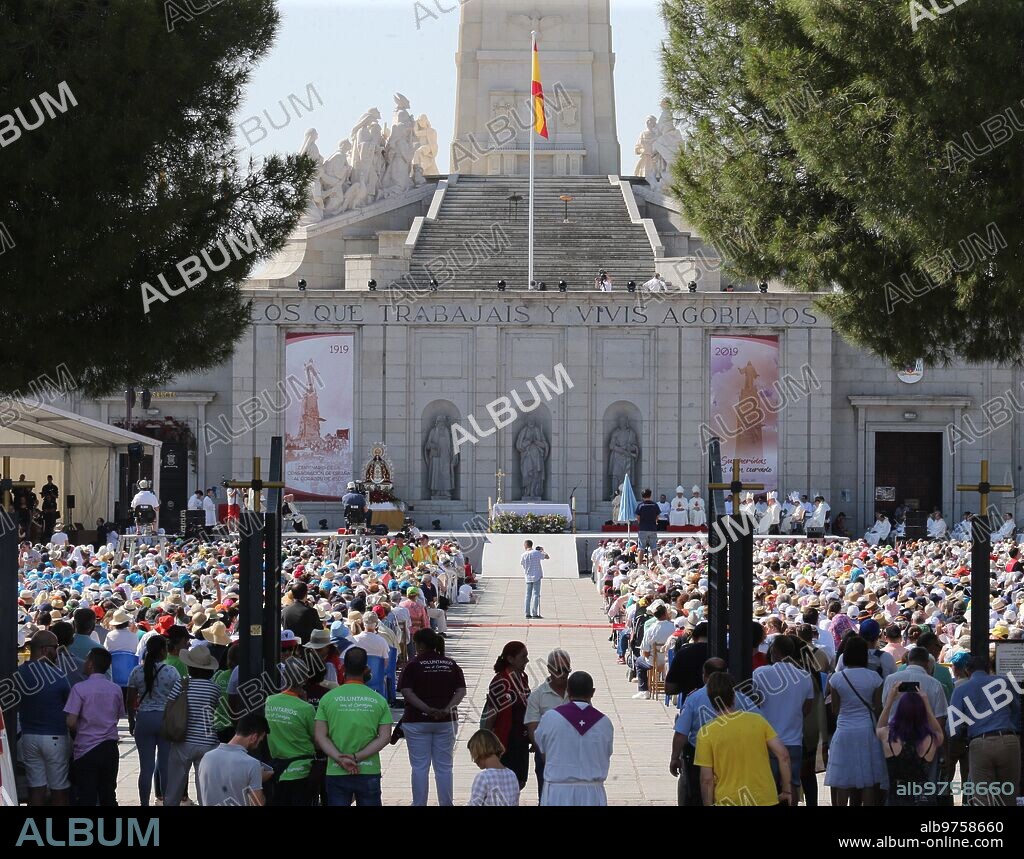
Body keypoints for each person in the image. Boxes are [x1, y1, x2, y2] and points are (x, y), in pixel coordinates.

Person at [693, 671, 791, 806]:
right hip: (764, 798)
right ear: (734, 695)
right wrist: (786, 790)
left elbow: (707, 779)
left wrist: (708, 803)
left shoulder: (706, 733)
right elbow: (783, 755)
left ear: (711, 699)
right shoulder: (758, 721)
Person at [670, 657, 759, 806]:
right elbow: (760, 721)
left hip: (699, 756)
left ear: (704, 675)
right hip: (732, 757)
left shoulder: (694, 698)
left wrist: (674, 757)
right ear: (727, 674)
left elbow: (681, 733)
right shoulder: (741, 698)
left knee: (698, 794)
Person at [316, 646, 393, 807]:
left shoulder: (328, 699)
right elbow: (385, 737)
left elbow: (320, 736)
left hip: (336, 769)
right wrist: (357, 757)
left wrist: (339, 758)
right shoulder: (378, 700)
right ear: (366, 669)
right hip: (368, 770)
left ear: (343, 668)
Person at [397, 629, 466, 806]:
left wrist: (426, 709)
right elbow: (461, 690)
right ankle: (446, 803)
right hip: (446, 720)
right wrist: (447, 708)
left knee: (420, 767)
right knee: (444, 767)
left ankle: (419, 803)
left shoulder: (413, 665)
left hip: (417, 720)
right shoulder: (450, 664)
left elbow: (406, 691)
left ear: (420, 644)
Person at [948, 655, 1021, 807]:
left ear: (967, 670)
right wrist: (1011, 727)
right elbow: (1016, 709)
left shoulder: (961, 690)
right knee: (1009, 795)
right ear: (988, 668)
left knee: (982, 798)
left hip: (980, 743)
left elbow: (952, 728)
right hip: (1008, 740)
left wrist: (961, 737)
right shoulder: (1003, 682)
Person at [534, 671, 614, 806]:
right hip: (592, 793)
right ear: (592, 692)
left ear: (568, 690)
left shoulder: (550, 718)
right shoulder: (604, 722)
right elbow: (607, 752)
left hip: (558, 792)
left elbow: (541, 747)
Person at [824, 635, 887, 806]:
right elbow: (877, 707)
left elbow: (835, 709)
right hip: (867, 729)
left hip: (844, 729)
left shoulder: (836, 679)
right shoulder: (874, 677)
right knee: (868, 780)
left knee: (842, 779)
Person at [752, 635, 814, 803]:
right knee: (793, 783)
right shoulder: (804, 676)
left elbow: (754, 701)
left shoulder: (760, 673)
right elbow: (807, 709)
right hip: (794, 740)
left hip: (768, 740)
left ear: (775, 651)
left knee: (768, 783)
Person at [64, 648, 125, 806]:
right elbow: (118, 715)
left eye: (86, 660)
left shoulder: (79, 689)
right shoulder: (116, 689)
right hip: (109, 746)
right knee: (108, 792)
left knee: (87, 794)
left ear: (90, 664)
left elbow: (71, 721)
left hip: (86, 747)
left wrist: (77, 730)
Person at [17, 631, 71, 806]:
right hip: (55, 736)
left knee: (35, 788)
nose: (57, 652)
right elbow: (69, 704)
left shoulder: (19, 674)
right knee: (59, 789)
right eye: (55, 648)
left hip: (28, 737)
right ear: (45, 649)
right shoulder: (58, 675)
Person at [164, 646, 223, 807]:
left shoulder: (181, 684)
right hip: (208, 743)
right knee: (205, 788)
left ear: (189, 667)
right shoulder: (215, 689)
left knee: (174, 786)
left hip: (182, 740)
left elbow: (169, 707)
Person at [127, 635, 177, 807]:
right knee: (165, 767)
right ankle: (167, 802)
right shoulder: (171, 671)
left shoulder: (137, 672)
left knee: (145, 768)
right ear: (163, 650)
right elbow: (178, 698)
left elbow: (130, 699)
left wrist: (132, 721)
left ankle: (143, 803)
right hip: (165, 719)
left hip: (144, 718)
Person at [876, 685, 943, 806]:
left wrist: (889, 701)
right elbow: (939, 732)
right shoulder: (930, 739)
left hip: (896, 798)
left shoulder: (888, 735)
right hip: (923, 798)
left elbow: (879, 727)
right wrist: (927, 704)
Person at [482, 641, 532, 789]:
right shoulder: (500, 681)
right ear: (510, 659)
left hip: (521, 739)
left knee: (520, 782)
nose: (527, 660)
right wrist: (486, 741)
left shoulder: (523, 677)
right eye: (523, 657)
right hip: (504, 740)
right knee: (505, 784)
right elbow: (491, 713)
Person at [265, 670, 317, 806]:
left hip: (276, 770)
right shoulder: (307, 708)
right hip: (302, 770)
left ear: (284, 677)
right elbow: (316, 739)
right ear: (305, 679)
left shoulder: (269, 701)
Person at [525, 649, 570, 800]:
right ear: (549, 669)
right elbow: (532, 728)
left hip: (572, 755)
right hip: (546, 755)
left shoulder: (576, 692)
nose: (563, 674)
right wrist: (544, 754)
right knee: (547, 797)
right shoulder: (537, 695)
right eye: (559, 670)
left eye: (566, 670)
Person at [197, 713, 269, 806]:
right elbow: (258, 803)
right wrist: (258, 779)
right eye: (260, 740)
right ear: (254, 737)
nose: (258, 744)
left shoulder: (207, 757)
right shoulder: (252, 764)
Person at [467, 729, 521, 807]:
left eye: (473, 755)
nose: (474, 760)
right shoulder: (512, 775)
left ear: (478, 752)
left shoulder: (483, 777)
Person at [633, 601, 674, 700]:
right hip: (671, 660)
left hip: (655, 661)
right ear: (666, 613)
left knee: (639, 661)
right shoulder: (673, 626)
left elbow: (645, 651)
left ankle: (644, 690)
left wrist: (651, 656)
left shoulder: (651, 629)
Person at [520, 539, 548, 619]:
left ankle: (527, 613)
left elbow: (522, 564)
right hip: (537, 576)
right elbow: (547, 557)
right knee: (536, 595)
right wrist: (542, 551)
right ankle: (535, 613)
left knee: (528, 595)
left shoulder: (523, 555)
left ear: (525, 545)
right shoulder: (536, 553)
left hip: (528, 576)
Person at [634, 488, 661, 556]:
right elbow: (658, 516)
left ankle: (640, 564)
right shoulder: (655, 505)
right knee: (654, 548)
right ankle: (656, 565)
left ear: (642, 496)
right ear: (650, 495)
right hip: (652, 528)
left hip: (643, 528)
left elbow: (638, 517)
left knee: (641, 549)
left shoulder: (640, 505)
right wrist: (655, 522)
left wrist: (640, 523)